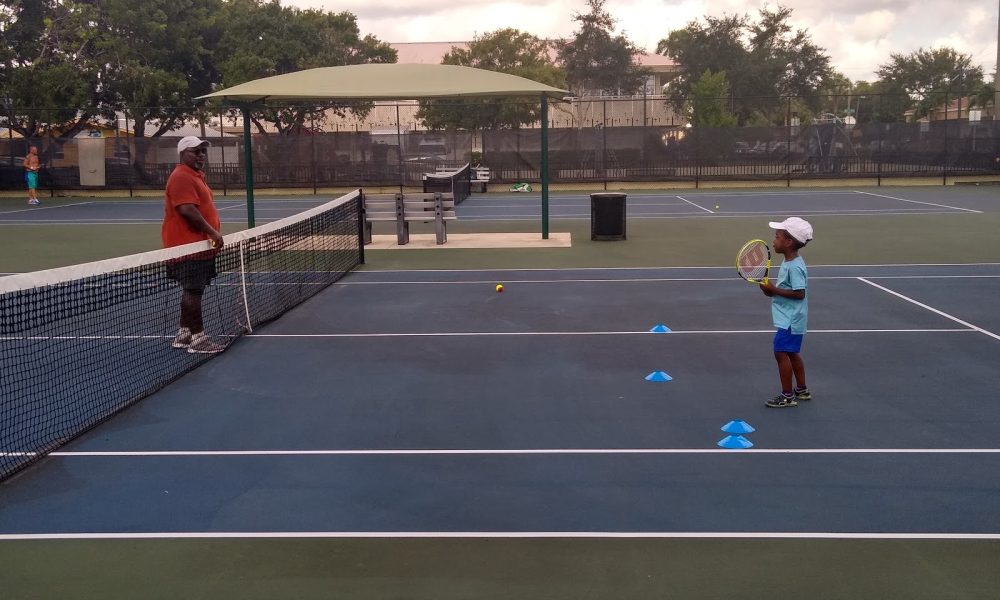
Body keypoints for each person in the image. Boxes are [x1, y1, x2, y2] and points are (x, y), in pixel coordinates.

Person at [162, 136, 225, 354]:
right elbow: (187, 209)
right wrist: (213, 232)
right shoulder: (181, 177)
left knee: (192, 290)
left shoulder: (194, 176)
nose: (200, 155)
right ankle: (198, 339)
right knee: (193, 291)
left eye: (202, 151)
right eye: (195, 151)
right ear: (182, 154)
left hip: (198, 246)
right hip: (187, 247)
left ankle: (185, 333)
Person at [759, 217, 813, 408]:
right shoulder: (789, 262)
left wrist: (773, 290)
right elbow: (787, 291)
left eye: (777, 237)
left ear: (789, 242)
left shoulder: (795, 266)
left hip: (791, 319)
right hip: (791, 317)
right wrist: (770, 291)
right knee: (791, 353)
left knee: (780, 352)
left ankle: (787, 396)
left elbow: (799, 293)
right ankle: (801, 389)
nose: (773, 240)